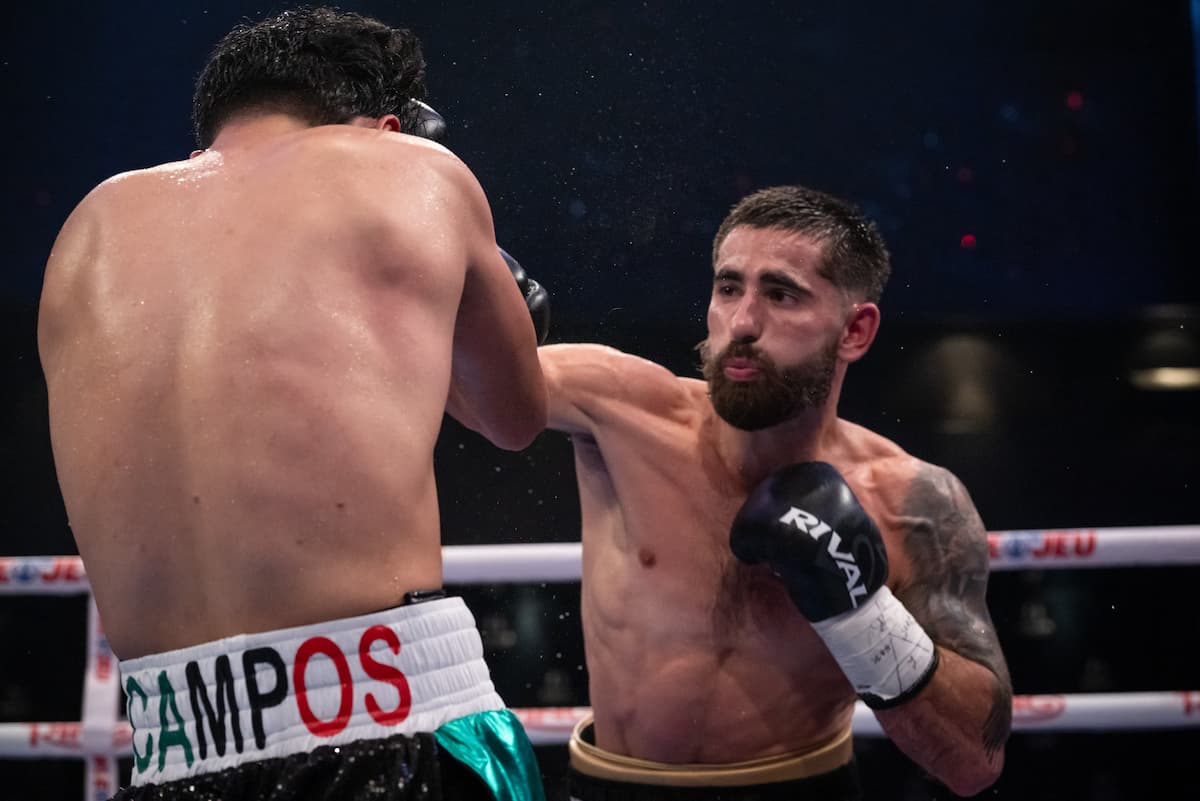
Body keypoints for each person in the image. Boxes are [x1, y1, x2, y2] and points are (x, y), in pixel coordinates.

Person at [38, 8, 549, 801]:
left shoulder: (87, 230)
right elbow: (514, 418)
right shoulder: (412, 170)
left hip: (172, 753)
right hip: (393, 728)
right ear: (389, 124)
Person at [539, 185, 1012, 799]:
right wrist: (462, 285)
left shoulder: (913, 503)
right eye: (728, 287)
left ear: (856, 331)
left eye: (782, 294)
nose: (742, 323)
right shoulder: (623, 409)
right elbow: (452, 383)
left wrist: (863, 615)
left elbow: (973, 761)